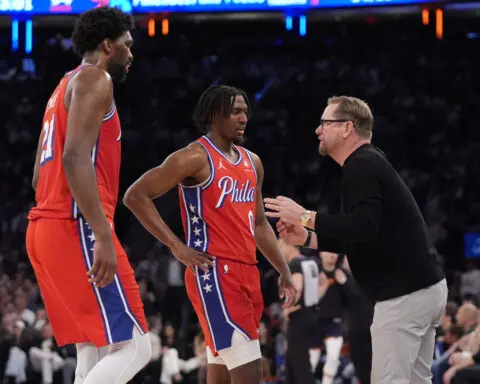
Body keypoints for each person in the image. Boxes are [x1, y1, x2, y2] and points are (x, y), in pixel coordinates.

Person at [264, 95, 447, 384]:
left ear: (348, 128)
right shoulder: (369, 161)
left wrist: (304, 216)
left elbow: (361, 227)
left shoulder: (361, 165)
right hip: (423, 289)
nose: (317, 129)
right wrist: (308, 237)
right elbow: (361, 236)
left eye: (325, 122)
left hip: (404, 295)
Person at [123, 85, 297, 384]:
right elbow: (135, 195)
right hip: (214, 273)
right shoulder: (194, 157)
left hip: (247, 272)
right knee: (250, 372)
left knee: (221, 369)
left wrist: (283, 269)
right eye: (236, 112)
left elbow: (258, 225)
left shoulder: (252, 162)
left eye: (246, 111)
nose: (244, 118)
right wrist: (176, 246)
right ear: (215, 116)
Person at [25, 7, 151, 384]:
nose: (132, 54)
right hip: (74, 226)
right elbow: (74, 158)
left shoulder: (61, 88)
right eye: (127, 46)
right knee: (137, 346)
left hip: (44, 228)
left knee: (94, 348)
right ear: (108, 45)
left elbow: (37, 177)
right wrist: (102, 233)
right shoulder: (96, 79)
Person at [277, 239, 324, 384]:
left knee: (300, 364)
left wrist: (288, 308)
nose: (279, 250)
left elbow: (297, 288)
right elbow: (323, 282)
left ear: (288, 244)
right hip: (311, 314)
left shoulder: (294, 264)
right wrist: (313, 300)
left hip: (299, 318)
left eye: (280, 246)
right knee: (292, 361)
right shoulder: (311, 262)